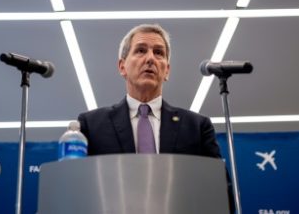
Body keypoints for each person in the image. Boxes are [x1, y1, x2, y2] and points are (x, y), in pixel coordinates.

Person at [77, 23, 222, 158]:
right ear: (122, 67)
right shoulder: (91, 126)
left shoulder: (197, 127)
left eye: (159, 52)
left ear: (167, 71)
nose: (150, 59)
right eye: (141, 50)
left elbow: (218, 182)